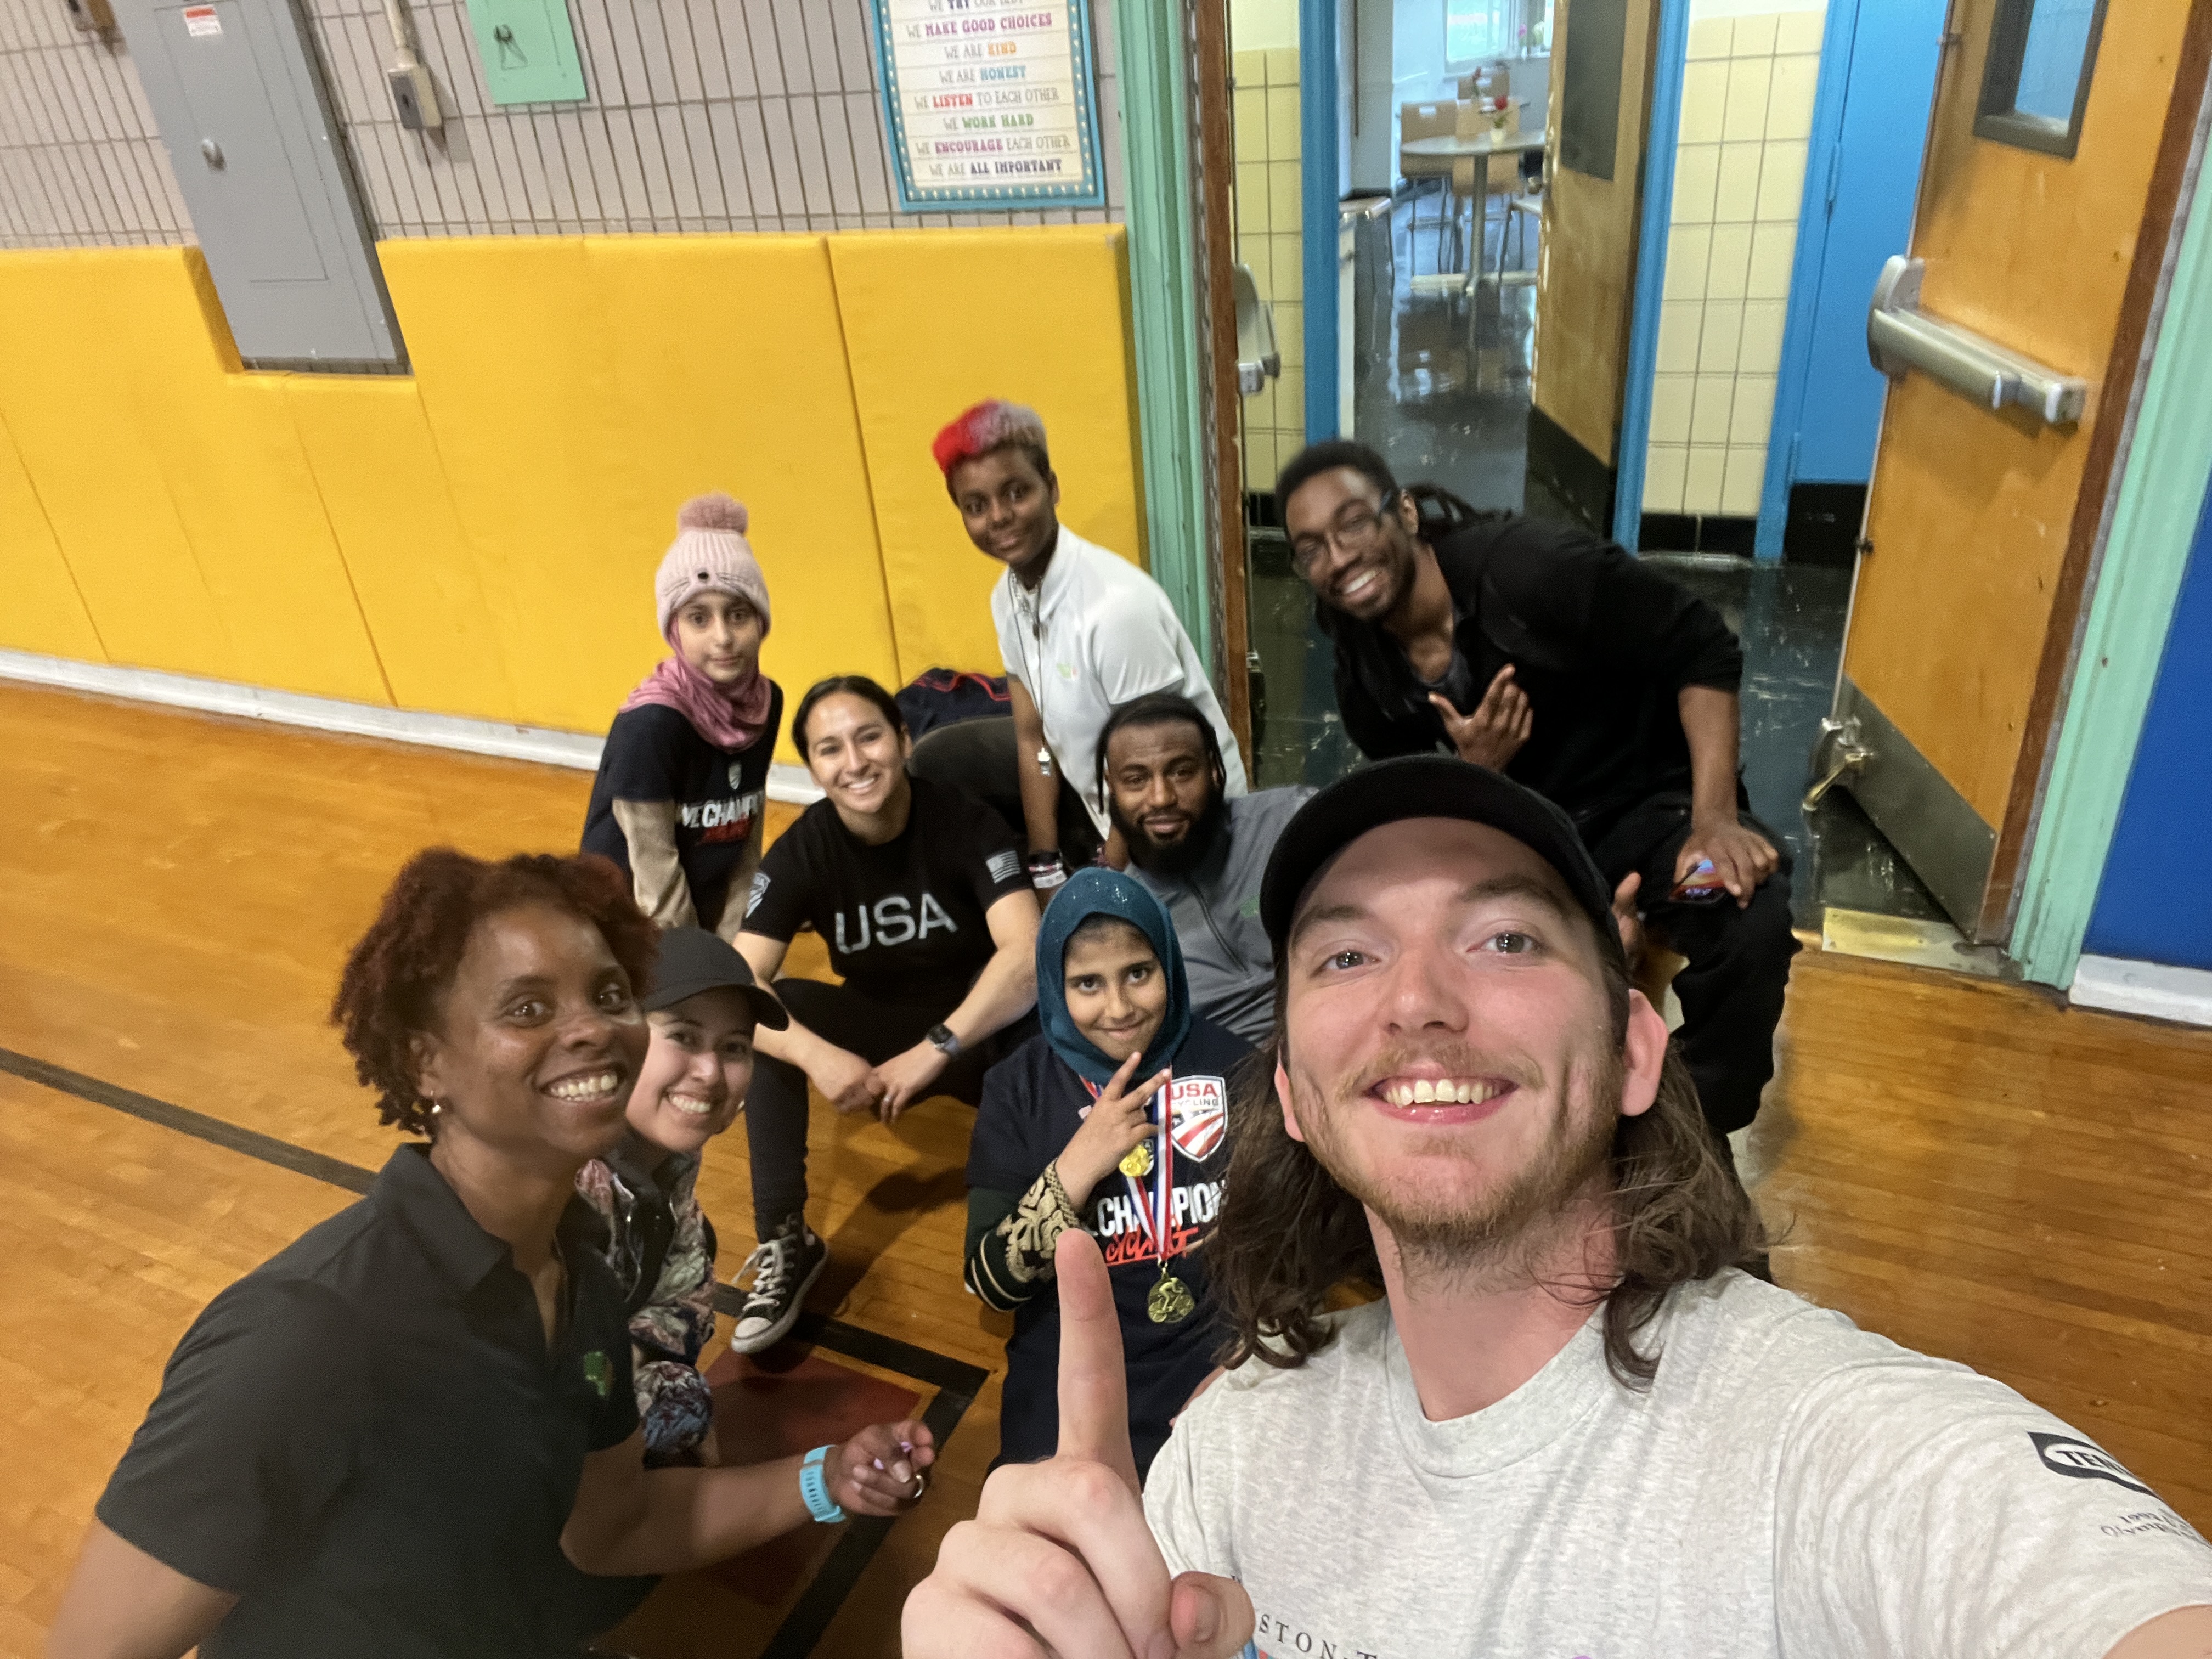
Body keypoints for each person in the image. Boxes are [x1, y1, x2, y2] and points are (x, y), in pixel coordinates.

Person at [901, 758, 2212, 1658]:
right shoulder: (1231, 1452)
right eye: (1348, 953)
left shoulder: (1844, 1450)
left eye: (1506, 939)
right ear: (1294, 1095)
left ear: (1640, 1050)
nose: (1416, 997)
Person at [50, 849, 933, 1659]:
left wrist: (828, 1477)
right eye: (528, 1008)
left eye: (610, 995)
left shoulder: (578, 1276)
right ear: (426, 1063)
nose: (591, 1029)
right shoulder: (304, 1334)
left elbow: (613, 1529)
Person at [1278, 439, 1796, 1142]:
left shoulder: (1533, 572)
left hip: (1660, 819)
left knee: (1746, 914)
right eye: (1311, 548)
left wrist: (1714, 819)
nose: (1337, 559)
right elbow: (1422, 820)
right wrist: (1478, 777)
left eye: (1353, 525)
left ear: (1403, 512)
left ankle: (1688, 1129)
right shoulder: (1366, 678)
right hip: (1535, 842)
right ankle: (1530, 1125)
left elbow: (1703, 646)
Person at [730, 675, 1041, 1354]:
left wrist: (938, 1046)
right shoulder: (805, 849)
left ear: (903, 740)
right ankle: (786, 1240)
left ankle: (1048, 1224)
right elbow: (736, 984)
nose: (855, 762)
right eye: (830, 749)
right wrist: (817, 1054)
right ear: (812, 767)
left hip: (979, 1027)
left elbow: (1025, 953)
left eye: (869, 737)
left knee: (1052, 1024)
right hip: (878, 1024)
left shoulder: (965, 820)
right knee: (773, 1024)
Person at [963, 869, 1250, 1479]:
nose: (1118, 1008)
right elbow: (990, 1284)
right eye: (1087, 984)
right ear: (1053, 985)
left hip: (1215, 1358)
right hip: (1068, 1364)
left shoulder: (1237, 1068)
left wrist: (1253, 1355)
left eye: (1138, 974)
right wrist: (1072, 1170)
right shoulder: (1018, 1090)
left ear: (1168, 962)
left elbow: (1296, 1247)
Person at [910, 398, 1247, 885]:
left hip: (1178, 818)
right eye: (976, 506)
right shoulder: (1007, 598)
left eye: (1016, 492)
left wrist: (1103, 878)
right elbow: (1034, 740)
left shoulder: (1115, 609)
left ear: (1051, 488)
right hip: (1101, 790)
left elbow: (1158, 776)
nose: (999, 517)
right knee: (939, 757)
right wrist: (1045, 869)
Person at [574, 925, 788, 1468]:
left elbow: (689, 1286)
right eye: (684, 1037)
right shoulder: (565, 1184)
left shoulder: (670, 1156)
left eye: (735, 1048)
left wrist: (640, 1359)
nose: (711, 1073)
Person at [583, 492, 781, 940]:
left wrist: (740, 948)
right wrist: (698, 970)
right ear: (674, 628)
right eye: (699, 618)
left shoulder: (766, 702)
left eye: (738, 614)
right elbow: (655, 878)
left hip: (701, 909)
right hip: (630, 928)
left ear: (761, 620)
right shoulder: (651, 726)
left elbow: (745, 835)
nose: (724, 637)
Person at [1101, 691, 1312, 1047]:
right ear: (1112, 788)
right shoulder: (1124, 917)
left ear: (1215, 770)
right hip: (1233, 1081)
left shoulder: (1291, 822)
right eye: (1136, 779)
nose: (1161, 797)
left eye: (1182, 772)